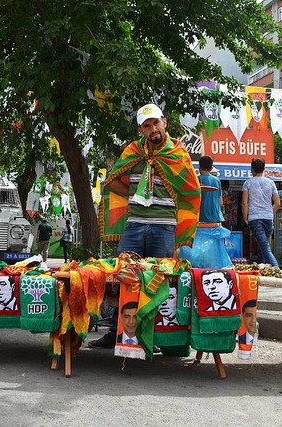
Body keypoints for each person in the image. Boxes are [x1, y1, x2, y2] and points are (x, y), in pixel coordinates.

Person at [90, 102, 201, 348]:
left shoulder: (178, 155)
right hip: (135, 225)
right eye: (147, 126)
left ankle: (157, 336)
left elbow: (190, 191)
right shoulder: (132, 151)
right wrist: (135, 194)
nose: (153, 129)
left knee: (160, 281)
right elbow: (113, 179)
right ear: (141, 130)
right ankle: (118, 332)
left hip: (164, 227)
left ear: (165, 123)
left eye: (156, 123)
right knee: (122, 278)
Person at [242, 158, 280, 267]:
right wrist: (270, 213)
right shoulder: (271, 183)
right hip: (268, 219)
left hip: (255, 218)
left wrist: (245, 217)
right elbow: (277, 203)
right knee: (262, 246)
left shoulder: (247, 183)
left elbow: (245, 203)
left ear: (252, 170)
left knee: (265, 247)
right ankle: (261, 268)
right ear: (264, 169)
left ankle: (276, 268)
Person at [197, 156, 224, 224]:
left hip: (201, 218)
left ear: (199, 166)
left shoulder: (196, 180)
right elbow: (221, 203)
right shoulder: (217, 180)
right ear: (211, 168)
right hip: (216, 217)